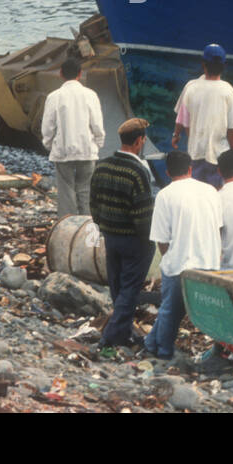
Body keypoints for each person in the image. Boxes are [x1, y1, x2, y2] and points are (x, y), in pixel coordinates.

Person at [142, 149, 222, 361]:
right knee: (201, 312)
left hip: (181, 263)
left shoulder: (165, 195)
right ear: (190, 169)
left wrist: (169, 258)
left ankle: (164, 352)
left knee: (170, 309)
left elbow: (161, 239)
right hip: (209, 261)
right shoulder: (211, 191)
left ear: (168, 172)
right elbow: (219, 226)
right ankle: (151, 343)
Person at [89, 117, 157, 352]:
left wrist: (104, 225)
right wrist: (149, 241)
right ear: (139, 141)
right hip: (133, 240)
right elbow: (143, 214)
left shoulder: (103, 165)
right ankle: (110, 337)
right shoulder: (138, 171)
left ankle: (124, 331)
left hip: (110, 236)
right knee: (129, 288)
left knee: (117, 286)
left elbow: (94, 204)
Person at [40, 57, 106, 217]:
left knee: (66, 192)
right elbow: (97, 124)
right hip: (87, 149)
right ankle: (87, 227)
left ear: (61, 74)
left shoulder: (54, 96)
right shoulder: (91, 95)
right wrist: (98, 143)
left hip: (63, 151)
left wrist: (49, 145)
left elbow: (47, 127)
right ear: (80, 74)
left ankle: (68, 228)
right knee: (85, 191)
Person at [172, 43, 233, 187]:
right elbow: (232, 129)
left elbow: (182, 119)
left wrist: (176, 135)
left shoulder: (191, 87)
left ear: (203, 64)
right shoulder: (229, 91)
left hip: (195, 155)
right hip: (219, 158)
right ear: (223, 66)